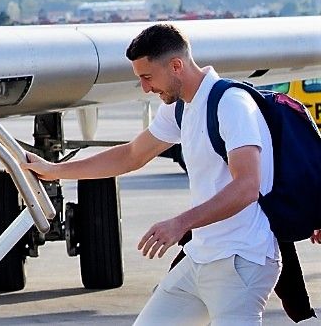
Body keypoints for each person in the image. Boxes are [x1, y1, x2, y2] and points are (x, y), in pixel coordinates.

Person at [24, 23, 281, 324]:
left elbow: (247, 187)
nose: (145, 88)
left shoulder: (231, 105)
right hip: (201, 258)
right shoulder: (180, 108)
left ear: (175, 66)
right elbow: (132, 154)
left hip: (240, 262)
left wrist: (180, 223)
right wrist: (55, 171)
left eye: (147, 77)